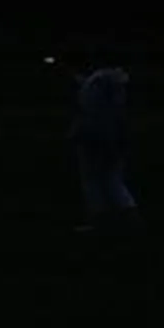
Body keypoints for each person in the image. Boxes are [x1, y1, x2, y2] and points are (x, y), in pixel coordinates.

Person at [64, 52, 137, 234]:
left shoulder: (97, 84)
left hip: (98, 138)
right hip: (110, 137)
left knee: (100, 181)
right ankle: (116, 221)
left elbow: (92, 112)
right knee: (109, 180)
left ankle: (116, 222)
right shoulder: (112, 83)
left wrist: (79, 132)